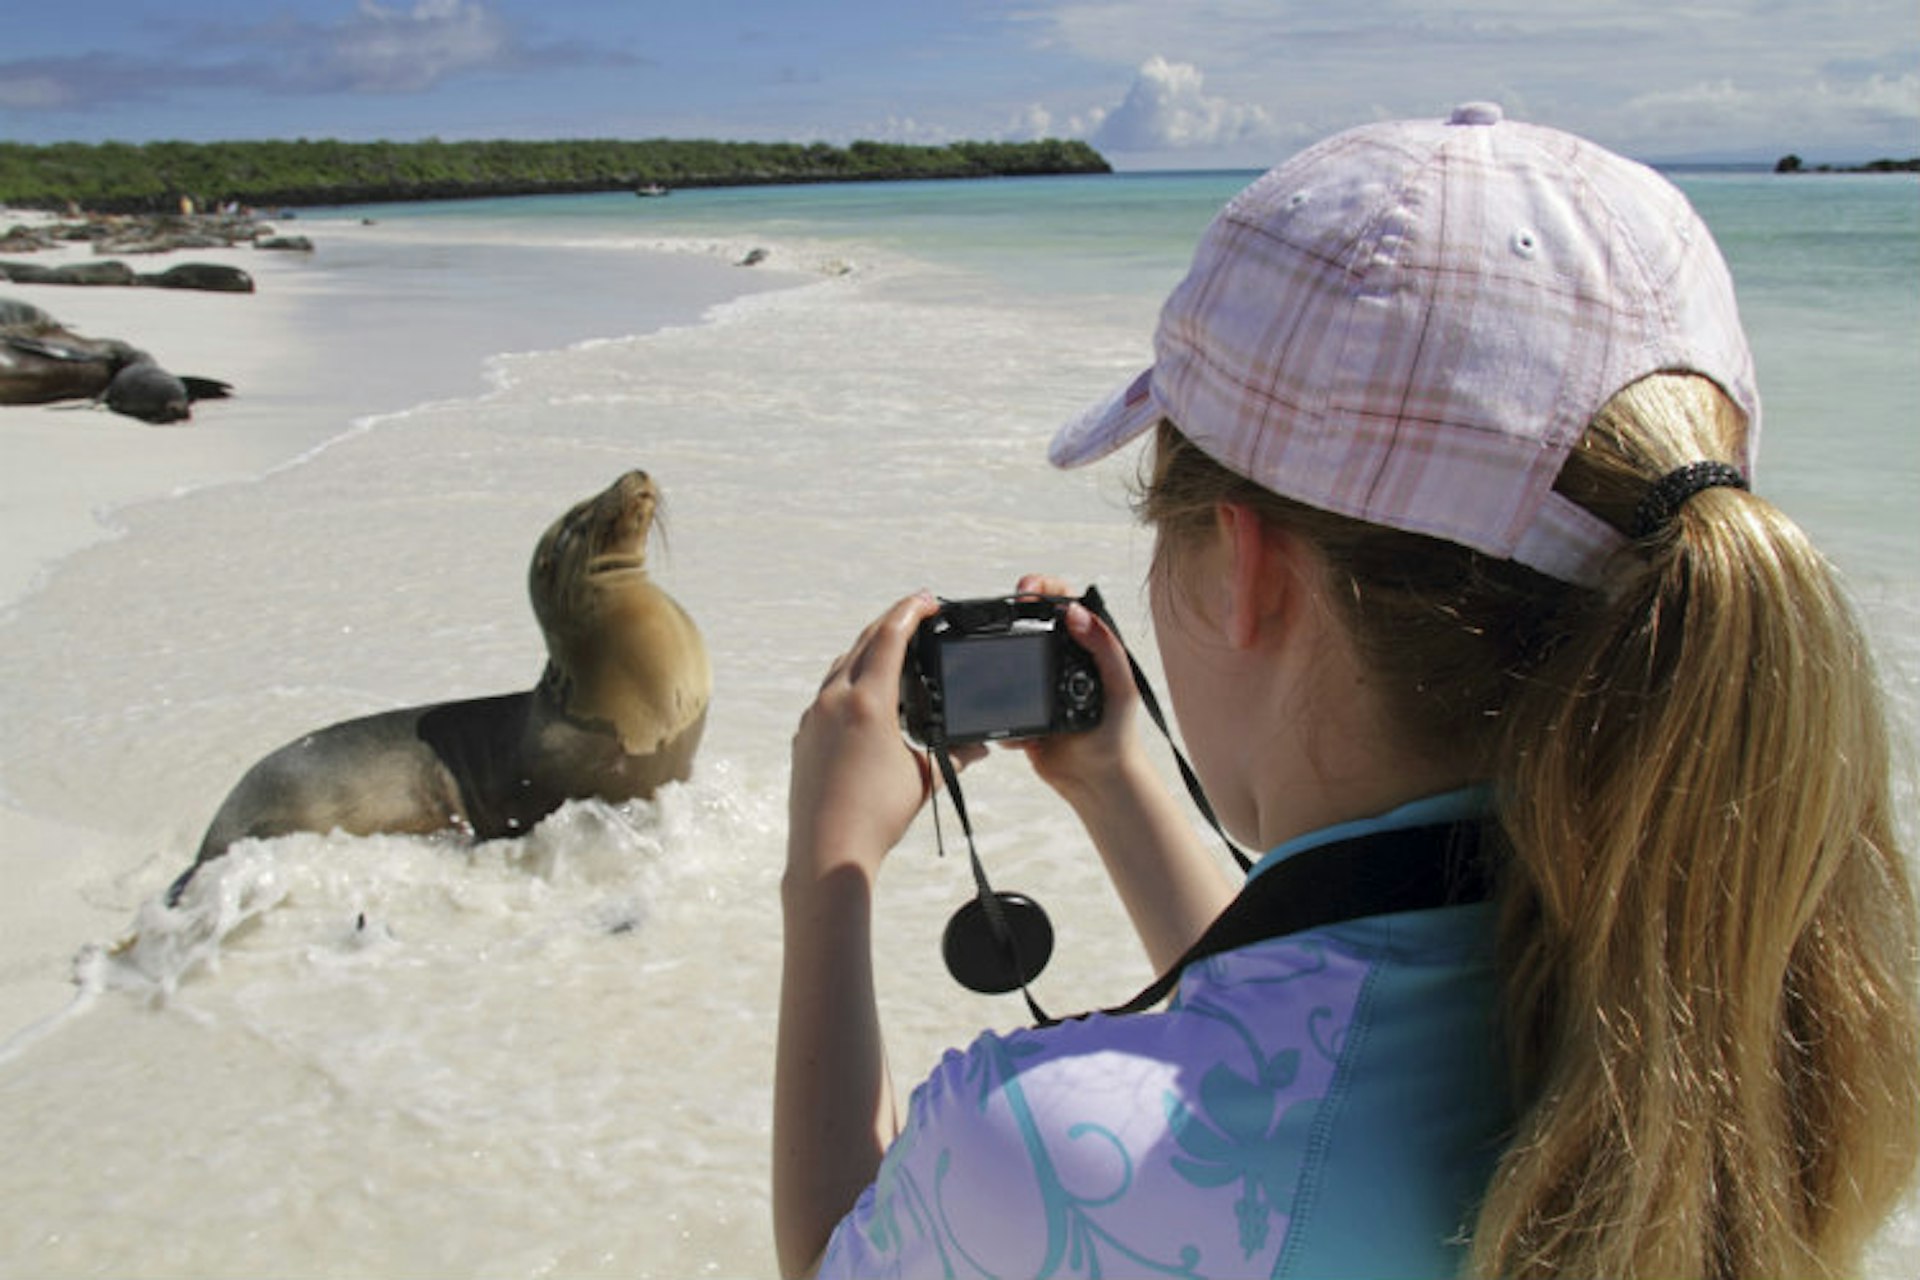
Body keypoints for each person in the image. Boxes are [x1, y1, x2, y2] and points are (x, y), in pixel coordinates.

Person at [774, 104, 1920, 1279]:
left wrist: (830, 868)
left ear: (1249, 567)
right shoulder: (1751, 1006)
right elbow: (1320, 1023)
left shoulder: (1046, 1152)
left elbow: (834, 1259)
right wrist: (1123, 787)